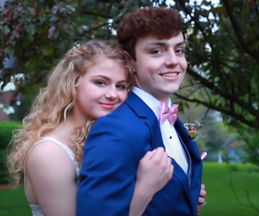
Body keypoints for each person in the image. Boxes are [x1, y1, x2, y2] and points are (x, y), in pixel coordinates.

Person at [6, 40, 175, 216]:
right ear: (72, 83)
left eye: (121, 86)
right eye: (101, 82)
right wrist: (145, 189)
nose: (112, 95)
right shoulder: (50, 153)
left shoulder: (106, 140)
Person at [77, 7, 204, 216]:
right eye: (157, 51)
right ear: (130, 61)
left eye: (179, 50)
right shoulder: (115, 129)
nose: (174, 60)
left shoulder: (171, 121)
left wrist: (187, 194)